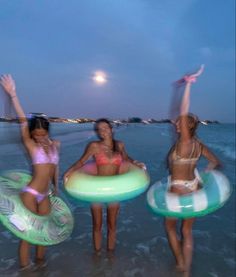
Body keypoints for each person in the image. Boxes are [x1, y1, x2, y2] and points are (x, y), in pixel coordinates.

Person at [0, 74, 60, 271]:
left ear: (48, 132)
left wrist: (56, 188)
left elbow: (55, 168)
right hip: (31, 194)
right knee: (28, 235)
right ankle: (26, 270)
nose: (41, 137)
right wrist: (13, 95)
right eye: (37, 134)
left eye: (44, 134)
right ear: (33, 134)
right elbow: (23, 122)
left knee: (43, 232)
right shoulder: (31, 145)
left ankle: (41, 266)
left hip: (46, 194)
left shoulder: (54, 146)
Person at [165, 66, 221, 276]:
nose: (175, 124)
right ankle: (187, 270)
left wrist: (187, 84)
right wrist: (205, 173)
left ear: (186, 126)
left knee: (170, 227)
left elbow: (182, 109)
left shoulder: (185, 141)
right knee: (187, 230)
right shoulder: (198, 145)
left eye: (179, 123)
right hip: (194, 187)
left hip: (179, 188)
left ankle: (180, 263)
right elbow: (215, 162)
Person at [64, 118, 145, 256]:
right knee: (97, 225)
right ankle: (97, 254)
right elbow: (82, 162)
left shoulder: (119, 145)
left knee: (112, 225)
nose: (103, 131)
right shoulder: (94, 146)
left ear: (111, 129)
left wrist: (137, 163)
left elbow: (127, 159)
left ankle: (110, 254)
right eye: (99, 129)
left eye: (105, 128)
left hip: (114, 191)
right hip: (97, 191)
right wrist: (69, 172)